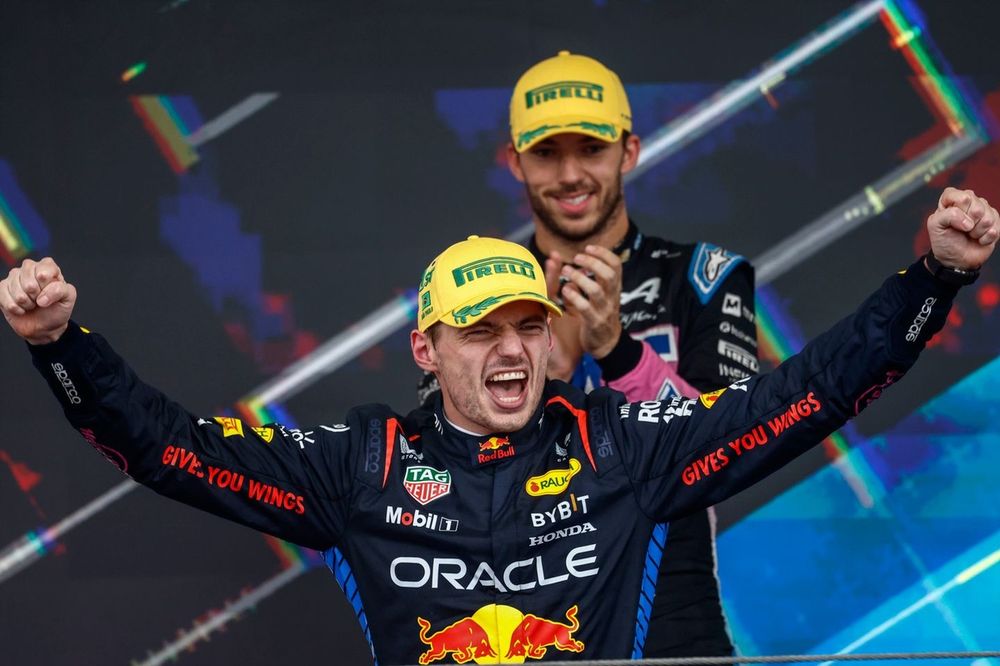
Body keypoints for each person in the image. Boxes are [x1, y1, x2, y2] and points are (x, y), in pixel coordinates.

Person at [1, 189, 996, 665]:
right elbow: (167, 449)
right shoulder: (360, 465)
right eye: (480, 333)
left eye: (528, 324)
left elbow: (809, 396)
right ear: (428, 352)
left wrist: (934, 277)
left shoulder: (623, 447)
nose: (509, 349)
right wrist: (60, 345)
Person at [511, 51, 758, 658]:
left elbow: (731, 447)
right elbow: (438, 473)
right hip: (526, 616)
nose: (570, 174)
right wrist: (551, 370)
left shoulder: (705, 276)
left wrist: (615, 351)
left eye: (591, 149)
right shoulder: (475, 293)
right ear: (514, 162)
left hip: (673, 611)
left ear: (629, 151)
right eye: (546, 152)